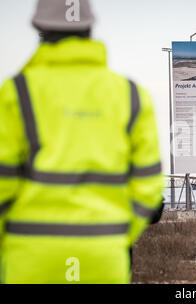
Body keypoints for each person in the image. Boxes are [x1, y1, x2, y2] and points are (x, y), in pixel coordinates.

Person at [0, 0, 164, 283]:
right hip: (104, 258)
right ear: (90, 28)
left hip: (30, 257)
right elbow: (149, 188)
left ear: (39, 29)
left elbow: (3, 182)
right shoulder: (132, 96)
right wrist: (115, 236)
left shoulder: (16, 93)